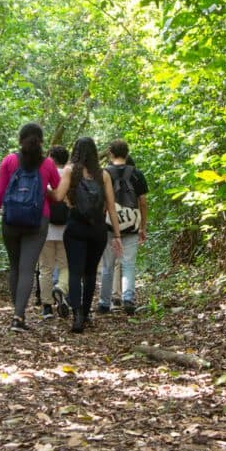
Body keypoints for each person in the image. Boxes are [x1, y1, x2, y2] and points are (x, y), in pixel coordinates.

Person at [0, 123, 62, 332]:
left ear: (20, 140)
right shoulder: (48, 164)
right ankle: (18, 316)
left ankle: (17, 312)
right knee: (27, 268)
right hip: (37, 221)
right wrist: (46, 193)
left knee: (15, 267)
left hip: (11, 219)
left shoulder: (9, 160)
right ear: (41, 141)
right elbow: (58, 191)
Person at [49, 136, 122, 333]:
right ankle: (87, 312)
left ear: (76, 151)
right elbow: (111, 207)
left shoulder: (70, 170)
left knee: (75, 271)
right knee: (90, 273)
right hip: (97, 229)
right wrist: (117, 235)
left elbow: (57, 196)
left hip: (75, 228)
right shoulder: (103, 174)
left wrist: (46, 189)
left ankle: (77, 315)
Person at [98, 141, 148, 315]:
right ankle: (128, 299)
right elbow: (143, 202)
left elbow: (100, 202)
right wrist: (142, 226)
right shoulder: (137, 174)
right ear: (127, 153)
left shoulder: (104, 174)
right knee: (128, 264)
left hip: (109, 226)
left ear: (110, 153)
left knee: (108, 266)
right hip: (131, 224)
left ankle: (104, 303)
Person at [38, 145, 70, 318]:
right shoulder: (69, 176)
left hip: (46, 229)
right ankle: (61, 289)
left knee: (46, 268)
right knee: (65, 266)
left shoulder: (44, 175)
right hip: (66, 230)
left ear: (50, 157)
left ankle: (47, 307)